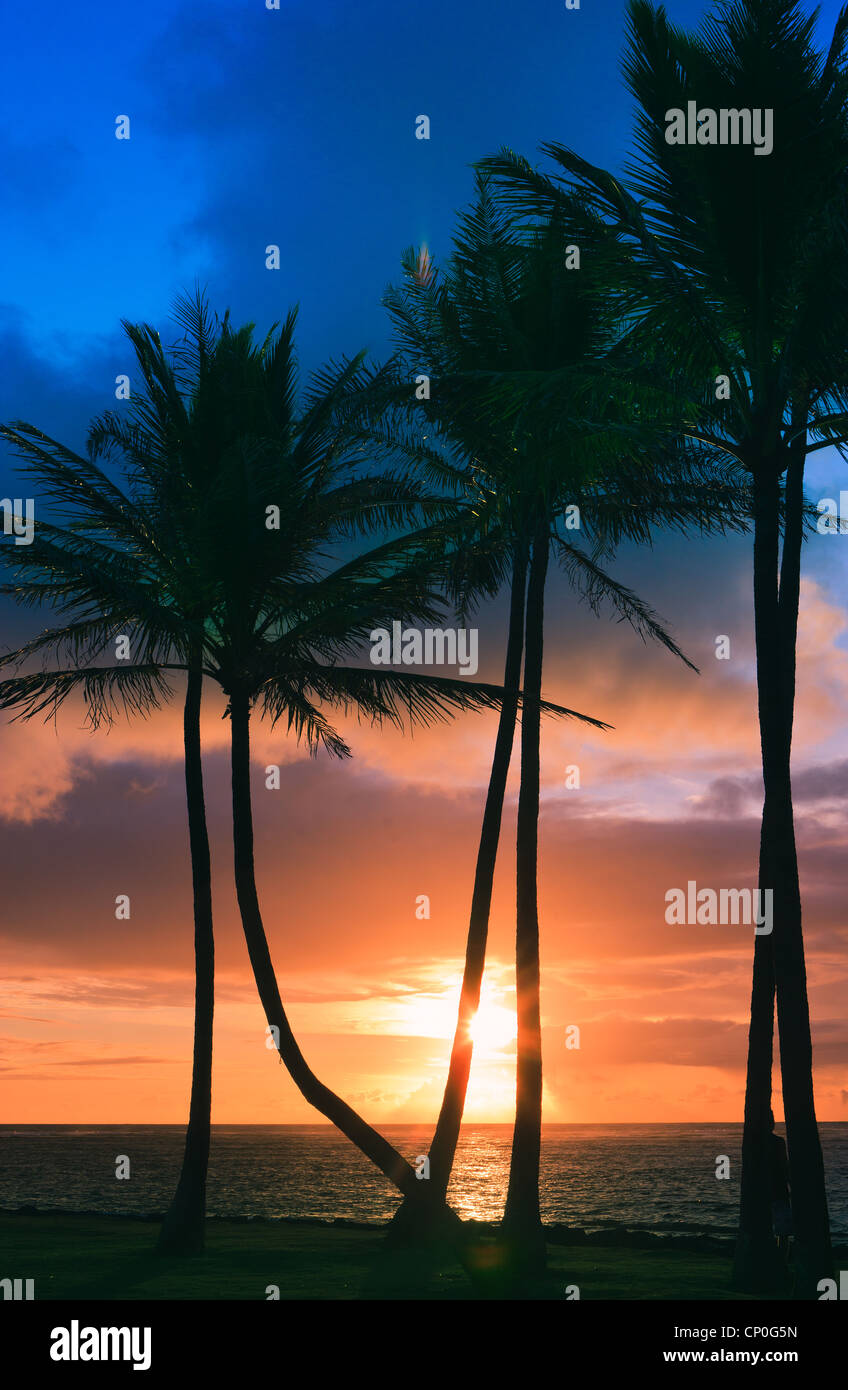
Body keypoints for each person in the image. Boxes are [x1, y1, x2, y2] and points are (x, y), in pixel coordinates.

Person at [768, 1109, 792, 1258]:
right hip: (779, 1192)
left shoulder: (755, 1143)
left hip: (769, 1192)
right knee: (783, 1233)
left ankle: (778, 1260)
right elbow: (785, 1166)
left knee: (780, 1232)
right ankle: (781, 1261)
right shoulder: (778, 1143)